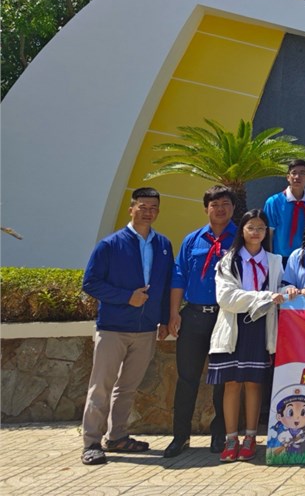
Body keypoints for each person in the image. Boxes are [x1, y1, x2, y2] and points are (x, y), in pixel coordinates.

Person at [80, 188, 173, 466]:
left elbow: (166, 285)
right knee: (101, 387)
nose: (148, 212)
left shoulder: (164, 244)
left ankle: (117, 436)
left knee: (128, 387)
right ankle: (91, 442)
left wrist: (165, 319)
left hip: (146, 329)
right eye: (143, 207)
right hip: (113, 328)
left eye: (153, 207)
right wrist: (126, 297)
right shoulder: (110, 245)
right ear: (131, 208)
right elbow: (90, 283)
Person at [207, 209, 286, 462]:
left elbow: (281, 289)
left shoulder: (275, 261)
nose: (256, 232)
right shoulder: (228, 261)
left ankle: (251, 437)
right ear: (241, 230)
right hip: (234, 327)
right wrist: (265, 296)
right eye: (251, 227)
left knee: (254, 383)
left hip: (260, 327)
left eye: (261, 228)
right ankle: (231, 439)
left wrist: (291, 291)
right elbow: (226, 298)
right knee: (231, 383)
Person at [165, 185, 238, 458]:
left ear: (233, 208)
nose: (220, 209)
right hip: (194, 316)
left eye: (225, 204)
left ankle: (220, 434)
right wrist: (174, 313)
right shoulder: (192, 240)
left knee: (223, 379)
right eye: (214, 204)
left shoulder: (241, 238)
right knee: (187, 378)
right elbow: (179, 276)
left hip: (226, 317)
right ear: (206, 208)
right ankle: (180, 436)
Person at [263, 160, 305, 259]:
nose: (297, 177)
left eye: (302, 173)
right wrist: (269, 259)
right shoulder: (273, 202)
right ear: (288, 177)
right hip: (280, 257)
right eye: (294, 173)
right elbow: (268, 234)